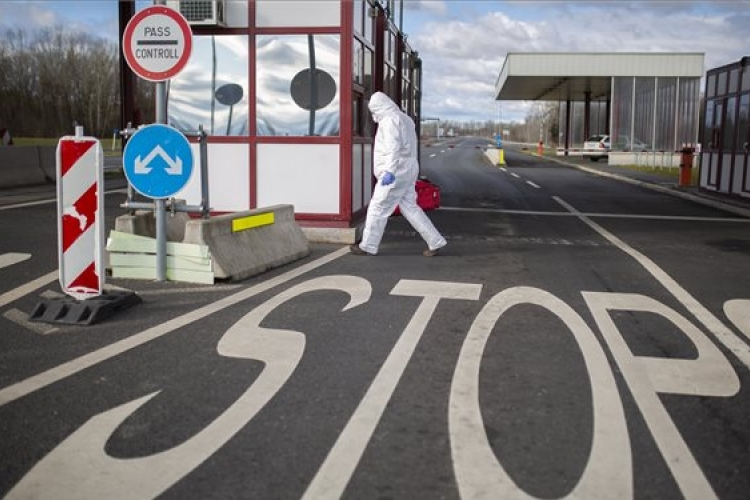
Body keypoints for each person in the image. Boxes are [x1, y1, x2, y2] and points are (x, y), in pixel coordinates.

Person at [350, 92, 447, 257]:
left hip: (395, 171)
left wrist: (389, 171)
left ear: (378, 108)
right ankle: (435, 240)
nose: (373, 115)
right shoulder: (405, 119)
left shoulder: (389, 121)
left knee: (378, 207)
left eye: (373, 110)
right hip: (408, 168)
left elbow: (393, 148)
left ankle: (367, 245)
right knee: (410, 207)